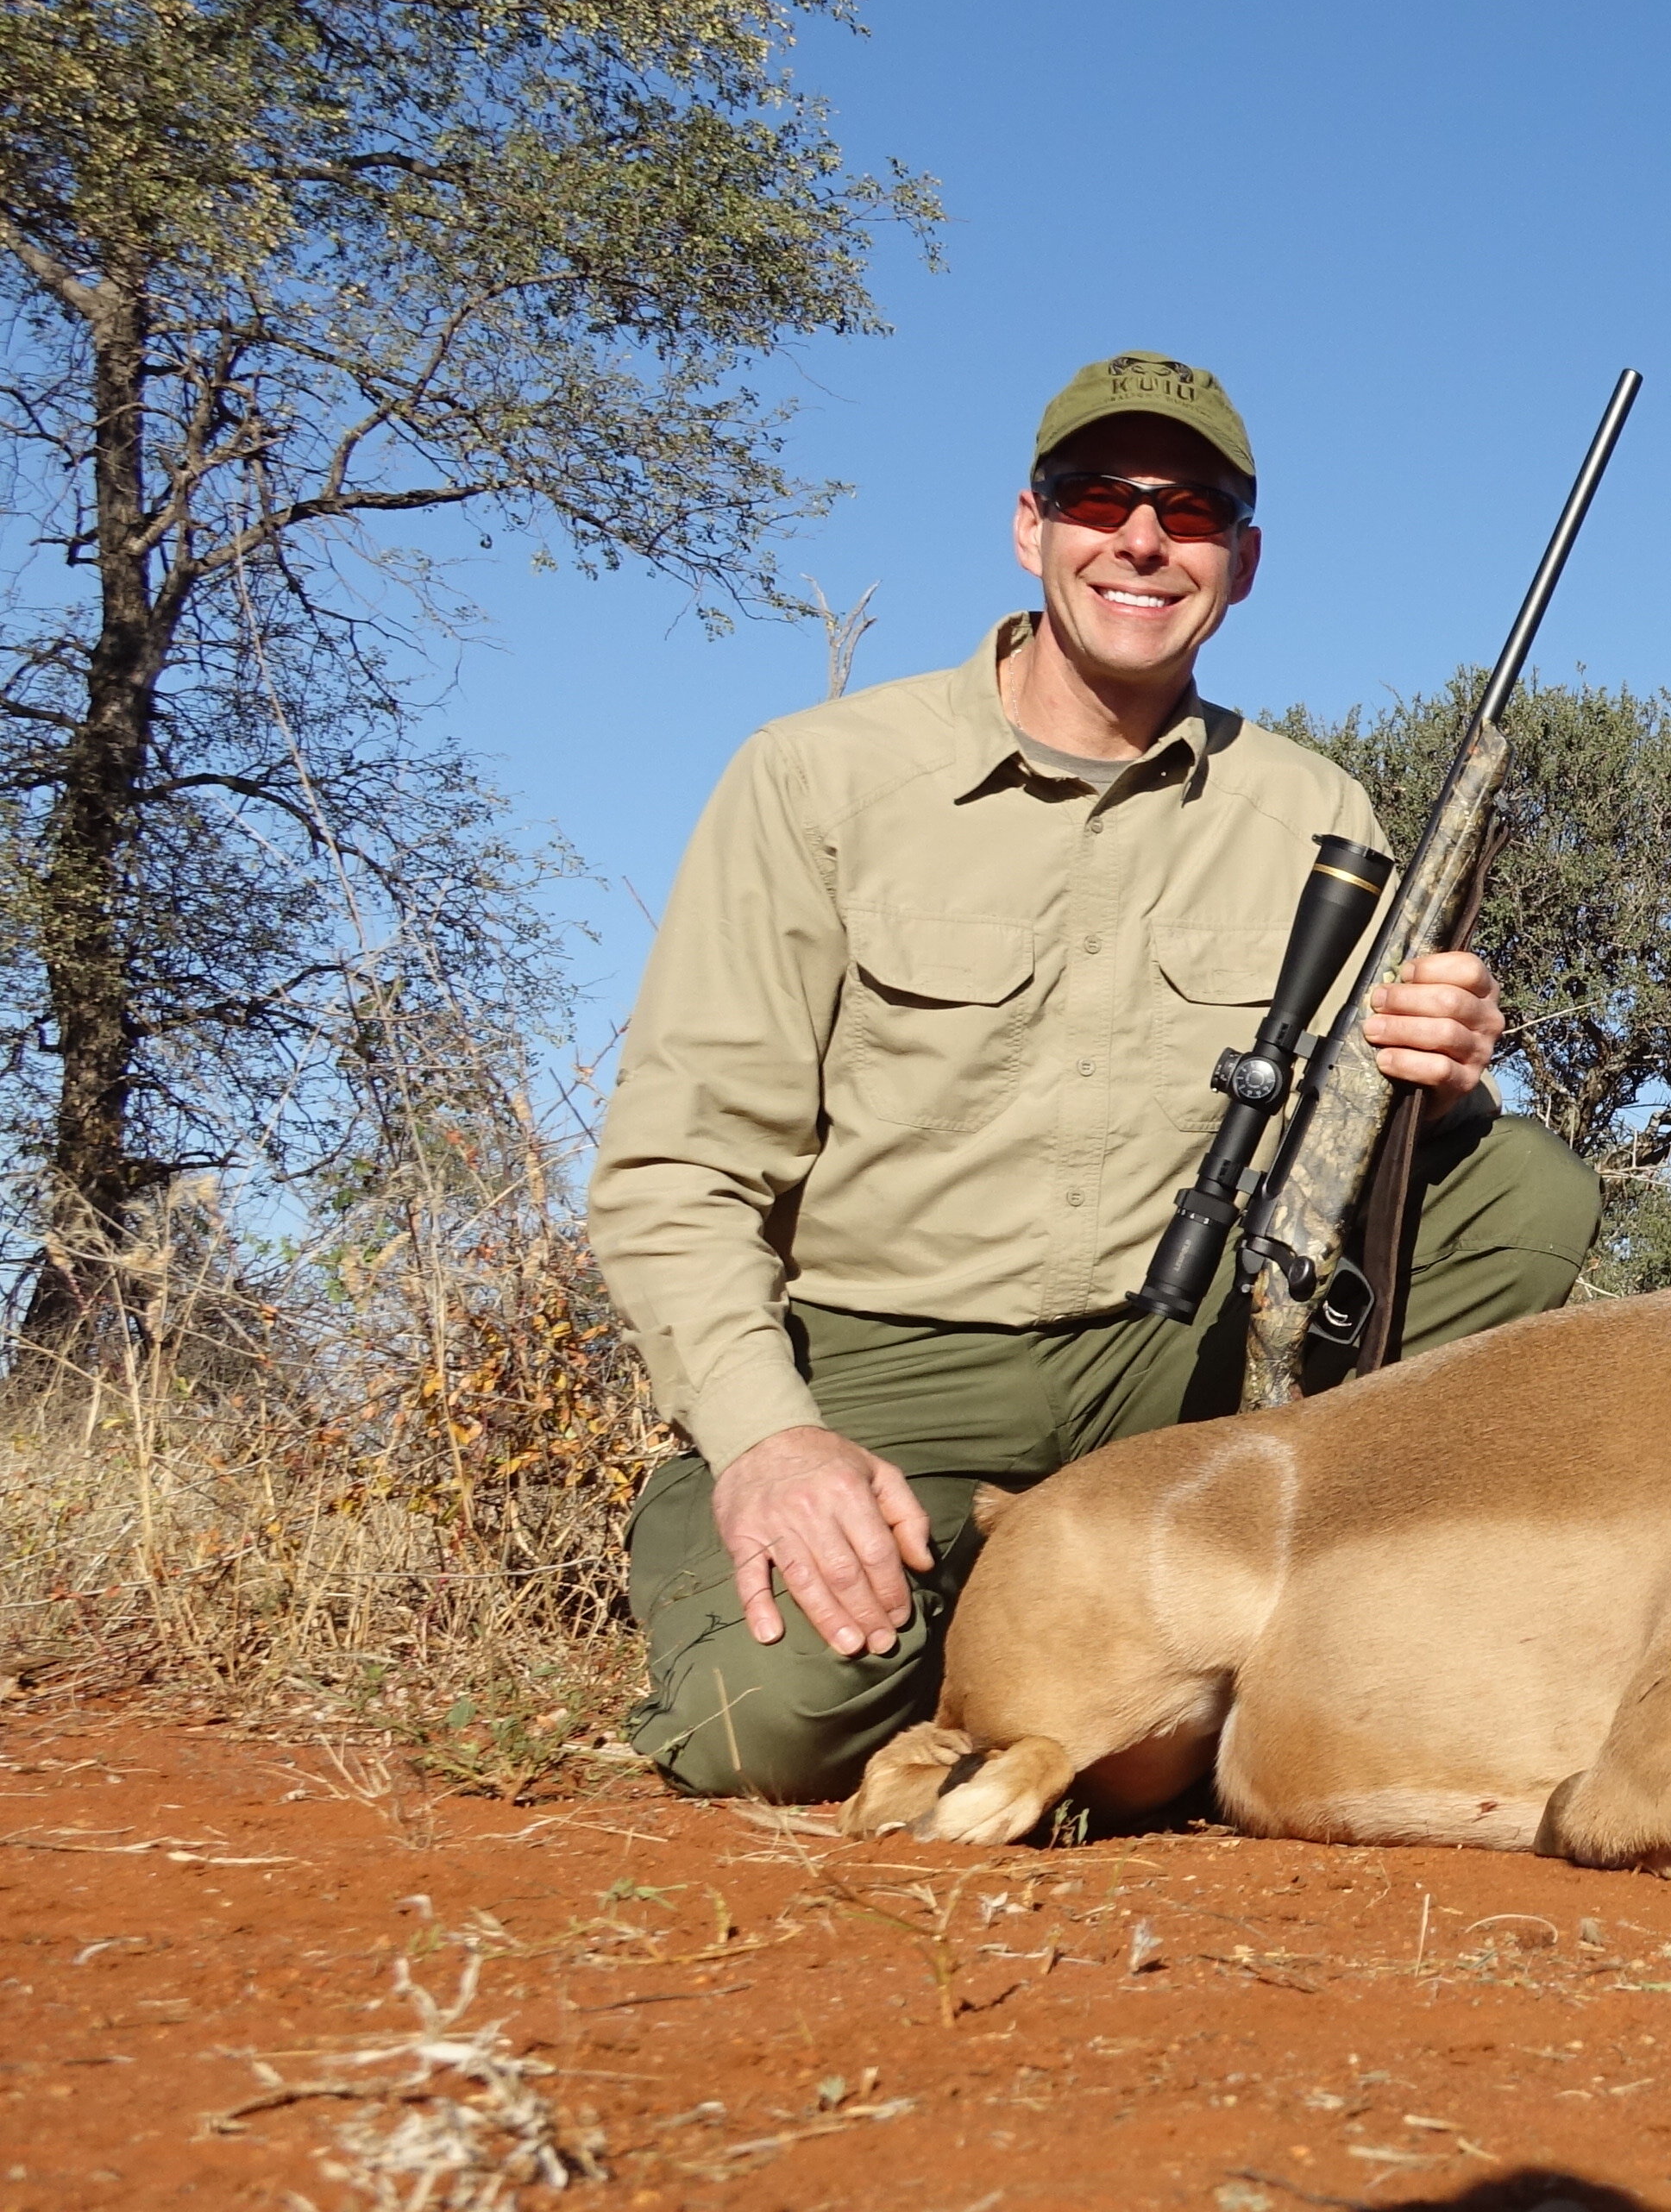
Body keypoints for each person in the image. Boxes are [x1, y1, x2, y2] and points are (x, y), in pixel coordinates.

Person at [590, 350, 1602, 1801]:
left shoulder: (1314, 808)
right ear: (1031, 526)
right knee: (776, 1730)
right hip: (890, 1368)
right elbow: (675, 1172)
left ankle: (1308, 1581)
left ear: (1238, 562)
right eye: (1100, 498)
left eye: (1188, 511)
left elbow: (1352, 1144)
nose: (1142, 538)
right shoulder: (816, 776)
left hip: (1169, 1358)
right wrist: (771, 1437)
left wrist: (1436, 1079)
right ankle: (1001, 1621)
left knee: (1522, 1186)